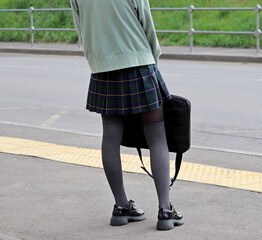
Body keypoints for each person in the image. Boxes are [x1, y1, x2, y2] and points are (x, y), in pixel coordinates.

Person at [70, 0, 184, 231]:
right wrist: (153, 59)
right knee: (156, 135)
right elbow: (146, 22)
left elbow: (80, 27)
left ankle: (121, 206)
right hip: (139, 61)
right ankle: (165, 210)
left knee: (110, 138)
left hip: (102, 67)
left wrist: (98, 57)